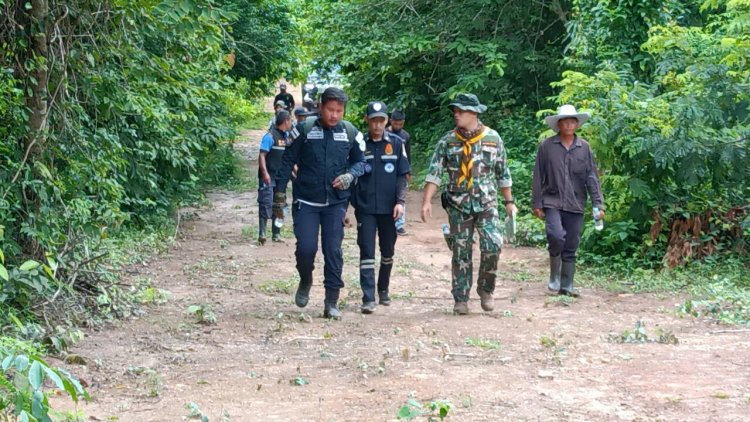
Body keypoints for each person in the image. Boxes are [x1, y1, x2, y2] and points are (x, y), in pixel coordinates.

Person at [274, 87, 366, 320]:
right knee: (306, 249)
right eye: (330, 109)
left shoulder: (349, 132)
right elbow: (287, 162)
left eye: (339, 111)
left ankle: (331, 301)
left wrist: (350, 176)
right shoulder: (304, 129)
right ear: (320, 107)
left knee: (333, 251)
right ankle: (305, 279)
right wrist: (279, 194)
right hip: (306, 200)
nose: (334, 115)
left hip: (335, 203)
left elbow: (361, 163)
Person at [421, 93, 516, 315]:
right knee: (460, 251)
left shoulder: (493, 138)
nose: (456, 114)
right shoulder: (448, 140)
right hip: (458, 204)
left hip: (486, 203)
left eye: (461, 111)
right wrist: (426, 201)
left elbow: (503, 172)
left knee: (493, 245)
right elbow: (434, 171)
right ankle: (461, 298)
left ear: (474, 113)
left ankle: (486, 289)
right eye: (455, 110)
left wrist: (509, 201)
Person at [532, 104, 605, 297]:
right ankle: (554, 276)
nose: (569, 125)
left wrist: (598, 204)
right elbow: (538, 175)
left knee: (572, 242)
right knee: (556, 236)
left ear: (577, 124)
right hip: (552, 200)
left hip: (576, 202)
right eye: (565, 121)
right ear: (558, 124)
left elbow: (592, 177)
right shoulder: (547, 146)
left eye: (573, 121)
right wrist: (537, 203)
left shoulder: (584, 148)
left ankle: (567, 284)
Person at [351, 101, 410, 314]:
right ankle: (368, 297)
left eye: (381, 121)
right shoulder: (358, 143)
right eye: (373, 120)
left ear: (386, 121)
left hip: (389, 208)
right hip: (365, 208)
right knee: (366, 251)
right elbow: (351, 174)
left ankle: (383, 288)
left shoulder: (395, 143)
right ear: (367, 120)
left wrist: (400, 202)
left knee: (388, 251)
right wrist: (349, 206)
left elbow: (403, 176)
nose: (377, 125)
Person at [257, 110, 293, 244]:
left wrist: (294, 171)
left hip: (281, 178)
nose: (292, 123)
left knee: (280, 205)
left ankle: (276, 234)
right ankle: (262, 234)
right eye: (291, 120)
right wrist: (265, 173)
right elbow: (262, 155)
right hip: (268, 176)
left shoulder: (287, 137)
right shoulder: (270, 136)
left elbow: (289, 157)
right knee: (265, 202)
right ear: (286, 121)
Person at [387, 110, 412, 236]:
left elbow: (407, 154)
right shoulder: (384, 133)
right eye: (396, 123)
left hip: (400, 170)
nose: (398, 126)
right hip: (386, 169)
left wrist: (408, 171)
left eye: (400, 124)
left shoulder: (405, 136)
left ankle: (399, 225)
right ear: (391, 121)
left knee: (401, 197)